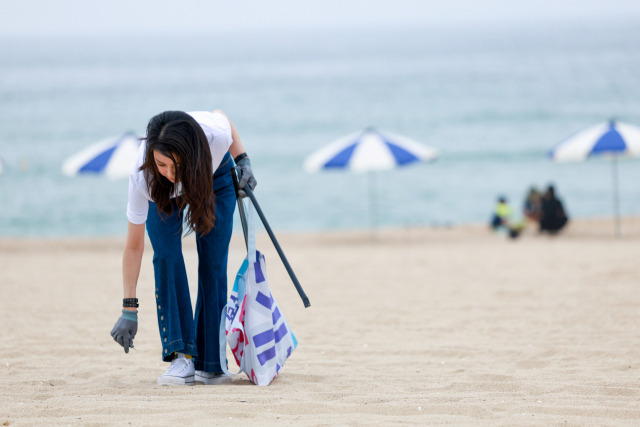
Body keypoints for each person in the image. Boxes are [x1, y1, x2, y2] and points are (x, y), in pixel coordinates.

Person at [109, 110, 257, 386]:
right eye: (162, 164)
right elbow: (134, 246)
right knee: (166, 255)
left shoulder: (214, 134)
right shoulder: (146, 178)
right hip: (162, 198)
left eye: (175, 166)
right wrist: (129, 308)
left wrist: (243, 160)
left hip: (212, 175)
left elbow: (224, 118)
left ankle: (211, 362)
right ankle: (181, 356)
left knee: (213, 261)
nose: (169, 174)